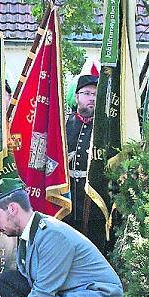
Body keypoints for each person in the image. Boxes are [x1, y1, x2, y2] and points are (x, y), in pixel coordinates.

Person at [63, 68, 107, 254]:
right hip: (67, 199)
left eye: (96, 94)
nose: (92, 98)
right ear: (77, 96)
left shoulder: (105, 128)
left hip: (94, 201)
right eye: (87, 93)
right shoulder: (64, 124)